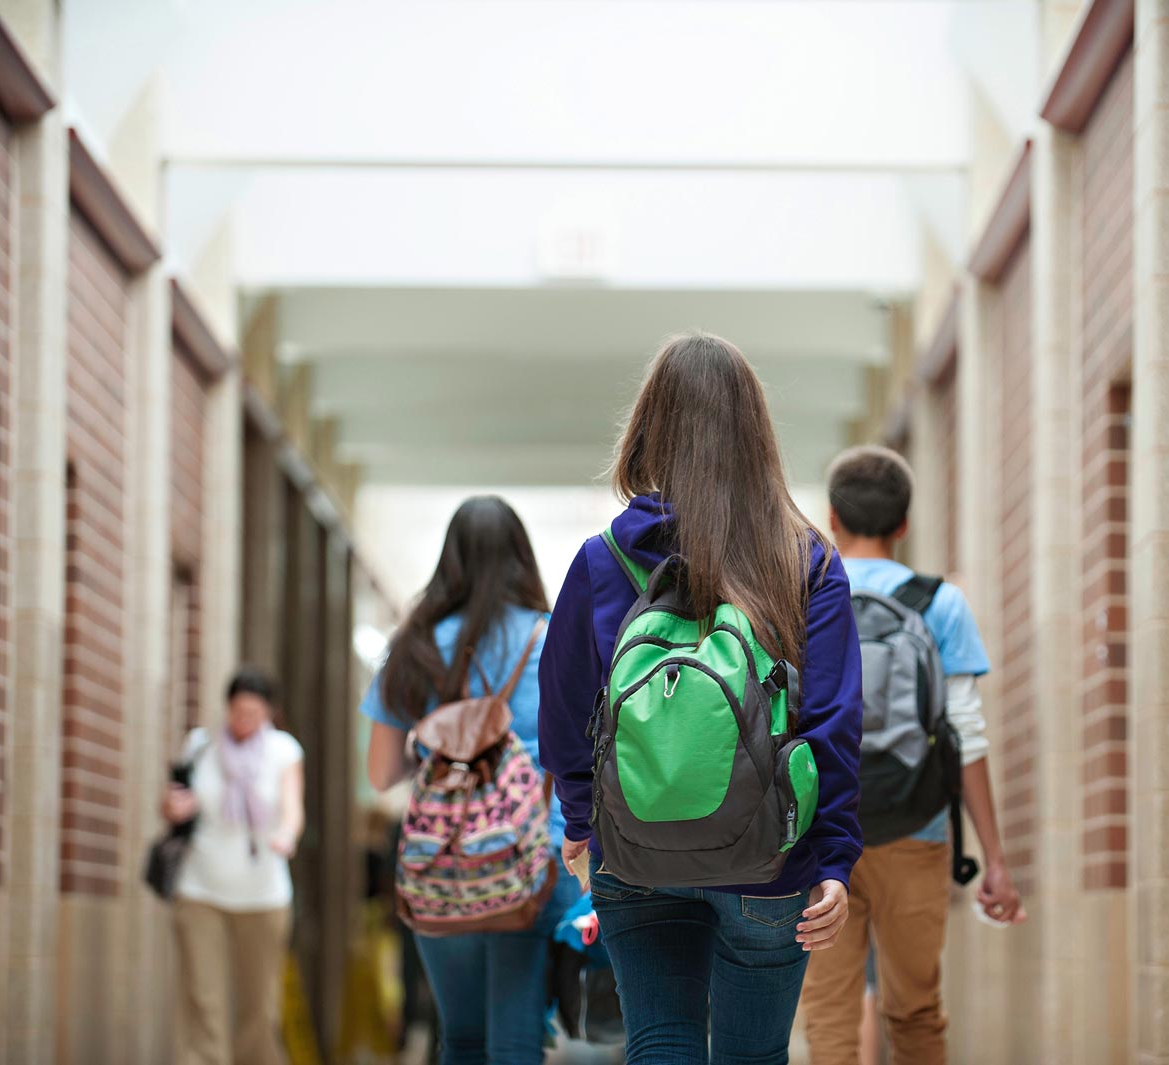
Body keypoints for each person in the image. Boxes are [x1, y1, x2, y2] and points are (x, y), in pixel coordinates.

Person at [538, 332, 864, 1065]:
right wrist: (835, 860)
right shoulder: (805, 559)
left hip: (633, 849)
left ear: (649, 428)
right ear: (757, 436)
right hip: (771, 860)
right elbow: (834, 723)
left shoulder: (602, 559)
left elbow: (562, 710)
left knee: (661, 1042)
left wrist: (584, 820)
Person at [801, 445, 1025, 1065]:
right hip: (917, 830)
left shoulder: (802, 598)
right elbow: (967, 737)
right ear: (904, 524)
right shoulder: (939, 604)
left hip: (818, 841)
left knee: (829, 1018)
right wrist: (994, 860)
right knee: (917, 1013)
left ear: (832, 518)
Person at [359, 495, 579, 1065]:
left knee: (459, 1036)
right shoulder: (553, 639)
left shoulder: (413, 644)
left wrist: (436, 746)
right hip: (533, 854)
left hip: (441, 857)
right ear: (520, 559)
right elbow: (582, 754)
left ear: (449, 561)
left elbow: (381, 773)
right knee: (516, 1033)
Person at [163, 667, 305, 1065]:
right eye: (239, 712)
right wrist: (175, 807)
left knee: (259, 1008)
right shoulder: (201, 746)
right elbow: (175, 803)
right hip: (199, 890)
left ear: (268, 714)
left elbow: (293, 808)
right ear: (227, 708)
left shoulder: (283, 751)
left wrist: (286, 835)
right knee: (203, 1002)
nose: (245, 721)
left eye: (254, 714)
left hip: (263, 895)